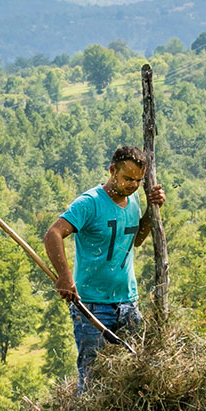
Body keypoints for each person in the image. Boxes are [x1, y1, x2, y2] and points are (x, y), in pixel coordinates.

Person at [42, 145, 166, 387]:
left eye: (138, 180)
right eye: (127, 178)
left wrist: (153, 211)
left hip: (128, 303)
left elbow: (136, 239)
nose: (132, 185)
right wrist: (65, 278)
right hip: (92, 307)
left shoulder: (134, 201)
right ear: (112, 171)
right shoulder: (90, 203)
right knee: (92, 378)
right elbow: (53, 234)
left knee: (138, 370)